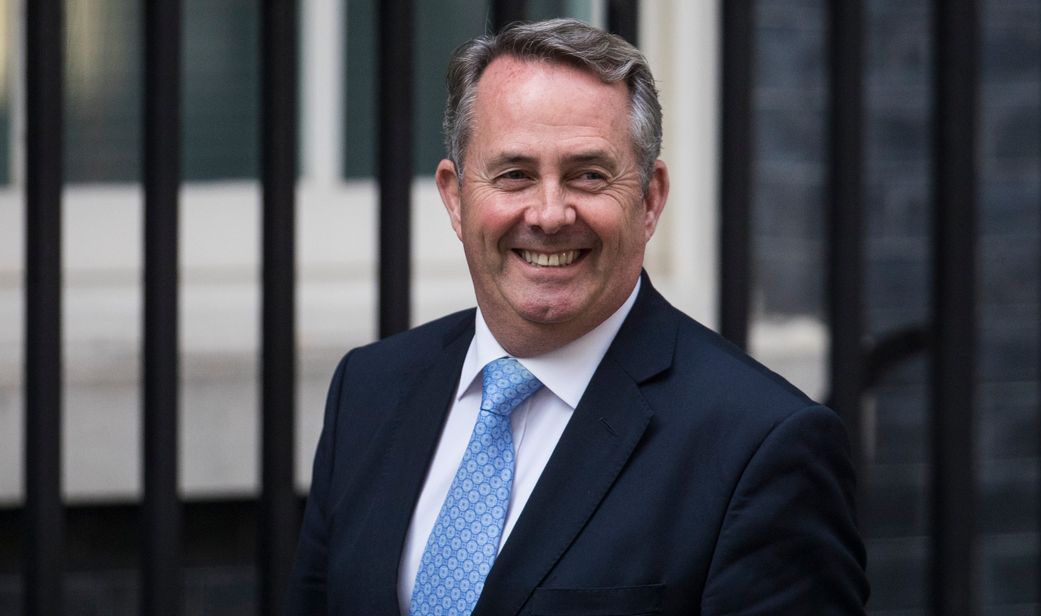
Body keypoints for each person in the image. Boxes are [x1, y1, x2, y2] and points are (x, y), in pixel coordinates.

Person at [286, 18, 869, 615]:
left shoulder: (761, 445)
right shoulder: (369, 389)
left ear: (649, 199)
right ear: (456, 199)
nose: (549, 213)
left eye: (588, 175)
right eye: (514, 174)